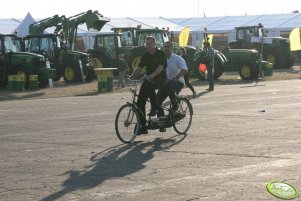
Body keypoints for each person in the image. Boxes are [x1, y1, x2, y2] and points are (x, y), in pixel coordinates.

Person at [129, 36, 167, 134]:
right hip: (149, 79)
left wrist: (152, 75)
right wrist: (131, 77)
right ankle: (143, 125)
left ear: (155, 44)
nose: (149, 46)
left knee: (149, 85)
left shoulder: (160, 54)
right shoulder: (145, 55)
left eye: (150, 44)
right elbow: (139, 68)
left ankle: (156, 109)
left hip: (160, 78)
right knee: (140, 102)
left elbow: (160, 67)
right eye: (147, 44)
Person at [156, 41, 188, 132]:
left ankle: (175, 104)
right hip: (166, 83)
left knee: (169, 85)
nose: (166, 48)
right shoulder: (161, 59)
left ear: (172, 48)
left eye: (168, 47)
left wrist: (177, 77)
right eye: (164, 47)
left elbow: (185, 70)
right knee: (156, 100)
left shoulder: (178, 58)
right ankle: (162, 122)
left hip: (178, 82)